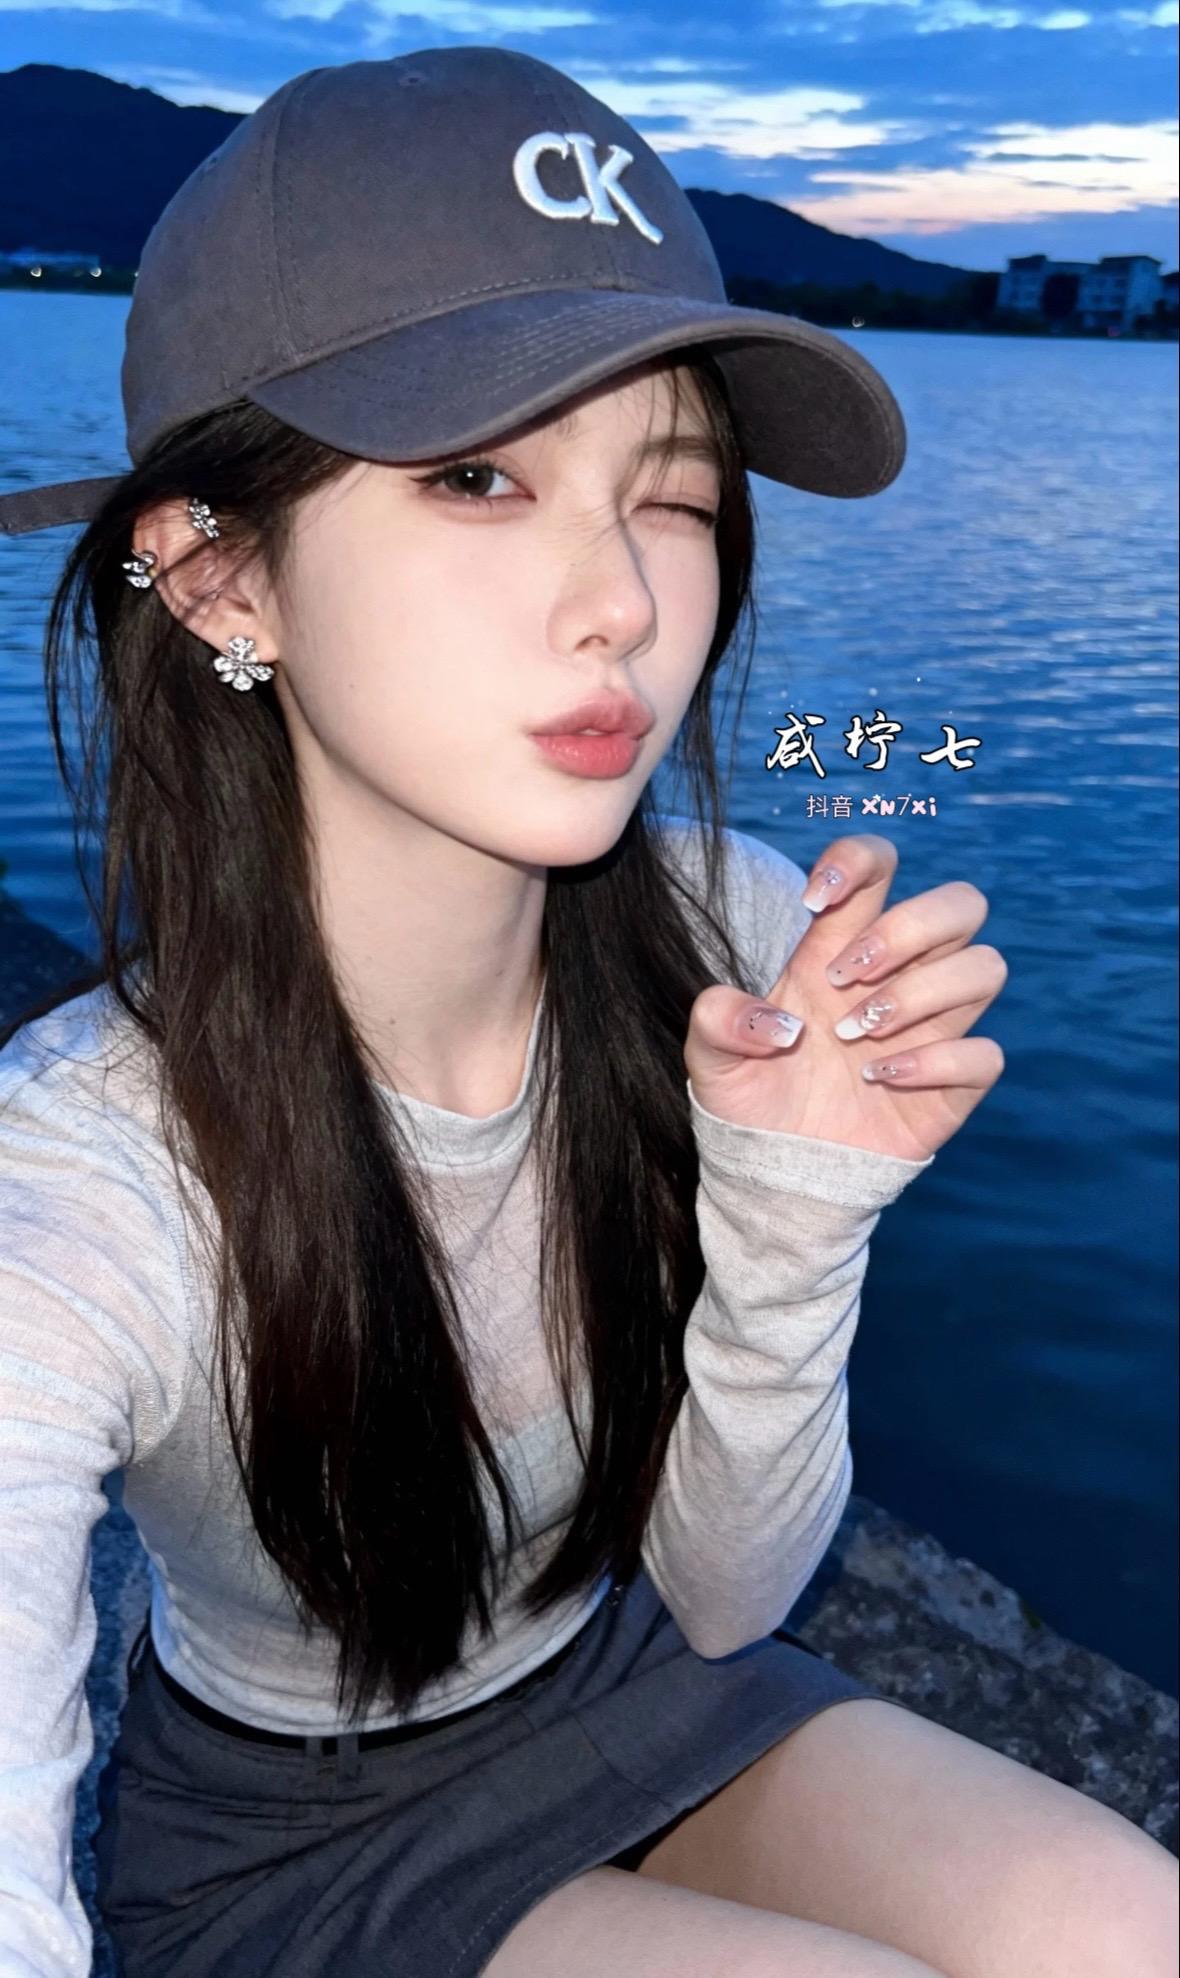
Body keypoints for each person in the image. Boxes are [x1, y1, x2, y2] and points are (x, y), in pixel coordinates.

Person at [0, 44, 1173, 1978]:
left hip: (632, 1672)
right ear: (219, 577)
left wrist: (795, 1208)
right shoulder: (84, 1178)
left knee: (1132, 1925)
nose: (620, 598)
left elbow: (725, 1596)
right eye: (480, 476)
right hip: (283, 1840)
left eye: (674, 492)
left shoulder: (743, 931)